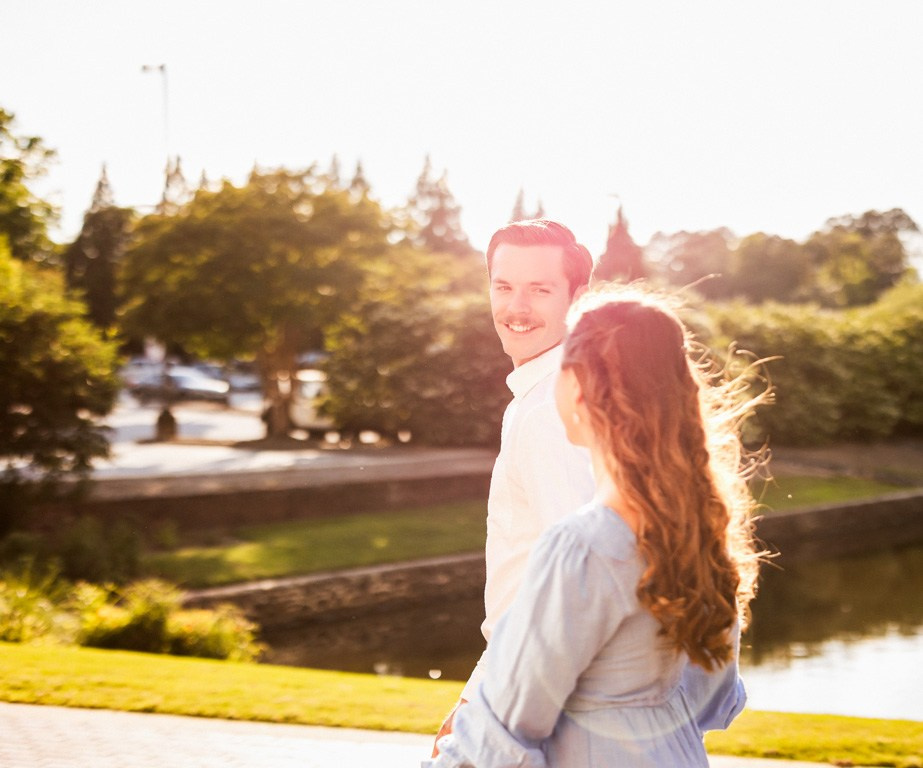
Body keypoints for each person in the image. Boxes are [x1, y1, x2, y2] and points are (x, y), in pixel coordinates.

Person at [424, 286, 763, 767]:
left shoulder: (585, 545)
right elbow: (713, 700)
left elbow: (502, 736)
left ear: (579, 387)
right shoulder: (698, 531)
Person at [432, 220, 596, 753]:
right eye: (504, 287)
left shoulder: (551, 409)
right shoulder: (545, 395)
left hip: (532, 699)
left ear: (578, 298)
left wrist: (481, 702)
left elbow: (570, 582)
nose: (516, 307)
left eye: (540, 290)